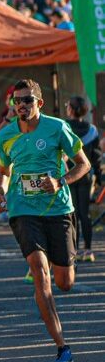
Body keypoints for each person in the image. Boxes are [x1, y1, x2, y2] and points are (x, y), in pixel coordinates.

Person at [0, 79, 90, 362]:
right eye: (17, 101)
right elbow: (3, 170)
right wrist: (0, 190)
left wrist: (60, 181)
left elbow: (83, 164)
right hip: (23, 210)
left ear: (40, 103)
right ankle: (62, 346)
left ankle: (52, 262)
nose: (21, 105)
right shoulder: (6, 135)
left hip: (59, 210)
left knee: (65, 282)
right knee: (40, 273)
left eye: (27, 100)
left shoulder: (57, 127)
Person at [65, 96, 100, 262]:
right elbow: (96, 156)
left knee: (72, 214)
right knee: (84, 214)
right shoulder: (92, 129)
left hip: (68, 175)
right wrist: (99, 178)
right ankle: (88, 250)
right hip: (86, 175)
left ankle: (74, 250)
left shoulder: (63, 127)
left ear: (71, 109)